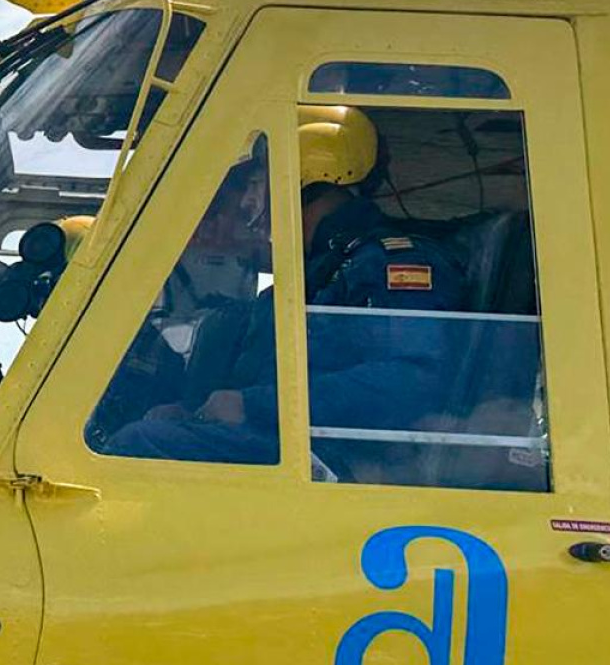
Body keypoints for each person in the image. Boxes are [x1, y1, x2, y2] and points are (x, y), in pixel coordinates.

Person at [107, 106, 466, 474]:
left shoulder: (391, 264)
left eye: (255, 182)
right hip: (295, 448)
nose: (248, 201)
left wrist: (255, 405)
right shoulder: (316, 276)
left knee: (138, 445)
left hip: (340, 462)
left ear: (306, 171)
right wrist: (194, 412)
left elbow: (412, 383)